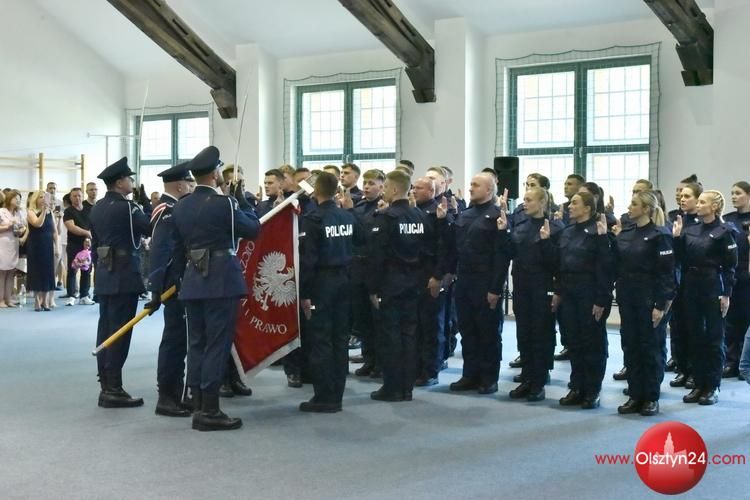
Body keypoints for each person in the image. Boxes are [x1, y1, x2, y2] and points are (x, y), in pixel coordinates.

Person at [173, 146, 260, 430]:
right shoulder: (224, 204)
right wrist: (239, 199)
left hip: (193, 280)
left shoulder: (181, 205)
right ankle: (210, 410)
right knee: (217, 345)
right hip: (221, 280)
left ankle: (198, 401)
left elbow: (176, 246)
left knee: (196, 343)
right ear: (215, 174)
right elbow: (254, 229)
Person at [89, 158, 151, 408]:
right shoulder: (127, 208)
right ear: (119, 182)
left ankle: (106, 382)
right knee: (120, 332)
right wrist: (146, 204)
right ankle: (113, 388)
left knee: (105, 329)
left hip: (105, 273)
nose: (132, 183)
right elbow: (148, 227)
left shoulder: (97, 208)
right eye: (130, 179)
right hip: (123, 274)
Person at [440, 173, 509, 394]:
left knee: (488, 333)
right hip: (464, 281)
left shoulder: (498, 216)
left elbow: (502, 256)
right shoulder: (466, 214)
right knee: (468, 331)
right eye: (470, 184)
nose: (470, 188)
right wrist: (449, 272)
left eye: (476, 185)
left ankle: (488, 378)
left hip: (485, 282)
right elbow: (454, 248)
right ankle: (469, 374)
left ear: (490, 190)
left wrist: (495, 288)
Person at [298, 171, 356, 412]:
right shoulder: (347, 216)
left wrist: (304, 292)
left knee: (321, 339)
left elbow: (308, 259)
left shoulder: (313, 220)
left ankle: (324, 397)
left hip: (321, 284)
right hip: (345, 280)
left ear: (316, 191)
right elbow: (361, 244)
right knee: (340, 339)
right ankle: (337, 395)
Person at [673, 190, 738, 405]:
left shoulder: (724, 231)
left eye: (702, 202)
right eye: (698, 201)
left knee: (713, 339)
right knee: (695, 337)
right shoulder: (691, 230)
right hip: (691, 285)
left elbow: (730, 267)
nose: (698, 205)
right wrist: (676, 238)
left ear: (714, 207)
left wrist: (726, 294)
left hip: (713, 285)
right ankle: (699, 383)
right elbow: (680, 258)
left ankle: (712, 386)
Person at [499, 187, 563, 402]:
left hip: (543, 287)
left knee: (541, 335)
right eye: (524, 199)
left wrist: (545, 242)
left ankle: (538, 381)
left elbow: (557, 263)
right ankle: (526, 378)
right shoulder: (521, 225)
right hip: (522, 286)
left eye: (529, 200)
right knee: (524, 333)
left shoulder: (554, 228)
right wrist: (503, 232)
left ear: (542, 203)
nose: (524, 203)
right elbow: (510, 253)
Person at [614, 191, 675, 416]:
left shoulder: (660, 235)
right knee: (631, 345)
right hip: (627, 297)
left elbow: (667, 274)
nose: (630, 207)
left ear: (647, 209)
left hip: (649, 298)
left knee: (651, 348)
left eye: (634, 204)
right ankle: (634, 393)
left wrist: (661, 305)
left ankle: (650, 397)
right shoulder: (626, 233)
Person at [367, 170, 425, 402]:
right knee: (410, 335)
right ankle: (407, 387)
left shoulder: (387, 218)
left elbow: (377, 257)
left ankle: (392, 387)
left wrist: (372, 288)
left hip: (392, 284)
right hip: (414, 282)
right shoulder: (419, 216)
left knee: (391, 338)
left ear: (392, 189)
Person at [554, 192, 615, 409]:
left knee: (592, 344)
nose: (570, 206)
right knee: (574, 342)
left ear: (588, 207)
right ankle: (576, 386)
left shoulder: (598, 232)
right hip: (569, 293)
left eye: (575, 203)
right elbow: (561, 266)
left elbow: (606, 269)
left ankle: (592, 389)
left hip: (590, 293)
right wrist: (558, 293)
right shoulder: (568, 231)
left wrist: (602, 299)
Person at [143, 162, 195, 417]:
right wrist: (156, 287)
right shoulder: (168, 210)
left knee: (179, 340)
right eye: (190, 182)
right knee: (174, 341)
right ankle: (167, 396)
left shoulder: (174, 208)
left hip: (178, 283)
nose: (192, 187)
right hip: (173, 285)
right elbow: (160, 250)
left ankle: (175, 393)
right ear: (180, 185)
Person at [344, 169, 384, 378]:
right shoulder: (359, 206)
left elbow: (367, 236)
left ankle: (380, 363)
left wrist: (349, 213)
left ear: (382, 186)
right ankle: (369, 359)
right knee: (363, 320)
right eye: (365, 183)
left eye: (372, 183)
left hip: (373, 267)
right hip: (356, 267)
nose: (367, 187)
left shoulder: (383, 208)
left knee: (377, 319)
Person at [412, 176, 449, 387]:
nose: (414, 190)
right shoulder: (412, 211)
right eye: (413, 187)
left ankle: (430, 370)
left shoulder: (437, 213)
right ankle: (416, 367)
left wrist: (438, 276)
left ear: (432, 191)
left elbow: (443, 248)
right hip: (413, 276)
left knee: (431, 326)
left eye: (419, 188)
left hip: (430, 274)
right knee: (415, 325)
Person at [669, 182, 703, 389]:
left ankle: (694, 371)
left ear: (698, 200)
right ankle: (682, 368)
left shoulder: (701, 224)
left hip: (693, 281)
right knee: (678, 327)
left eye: (687, 196)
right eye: (681, 195)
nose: (682, 199)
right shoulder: (676, 219)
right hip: (676, 281)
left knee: (694, 329)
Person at [553, 173, 585, 362]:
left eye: (570, 184)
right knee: (565, 317)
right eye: (565, 183)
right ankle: (567, 345)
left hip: (582, 280)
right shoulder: (561, 209)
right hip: (564, 271)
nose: (566, 186)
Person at [722, 181, 750, 379]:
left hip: (748, 276)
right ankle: (731, 362)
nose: (733, 197)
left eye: (738, 193)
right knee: (731, 321)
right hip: (734, 275)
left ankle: (745, 363)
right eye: (731, 193)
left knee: (747, 321)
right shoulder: (728, 220)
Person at [26, 190, 58, 311]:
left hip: (48, 245)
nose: (43, 199)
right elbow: (37, 224)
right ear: (35, 199)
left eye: (45, 197)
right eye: (40, 197)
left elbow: (55, 231)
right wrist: (44, 211)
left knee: (47, 272)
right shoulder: (31, 212)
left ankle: (45, 301)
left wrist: (58, 247)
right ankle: (37, 301)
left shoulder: (51, 213)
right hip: (35, 246)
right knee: (36, 272)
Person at [63, 187, 94, 306]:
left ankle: (84, 295)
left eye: (79, 195)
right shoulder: (68, 211)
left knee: (86, 270)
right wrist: (86, 233)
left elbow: (92, 225)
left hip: (87, 245)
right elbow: (71, 227)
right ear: (71, 198)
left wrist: (88, 237)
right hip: (73, 244)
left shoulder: (88, 210)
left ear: (82, 196)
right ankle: (71, 296)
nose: (77, 198)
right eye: (74, 196)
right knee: (72, 270)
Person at [0, 190, 26, 307]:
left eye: (19, 199)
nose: (18, 201)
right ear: (9, 199)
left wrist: (21, 230)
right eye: (16, 198)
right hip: (3, 244)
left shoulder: (18, 213)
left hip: (14, 244)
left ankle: (8, 299)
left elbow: (23, 227)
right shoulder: (2, 211)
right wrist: (9, 226)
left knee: (11, 272)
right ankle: (1, 300)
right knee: (2, 272)